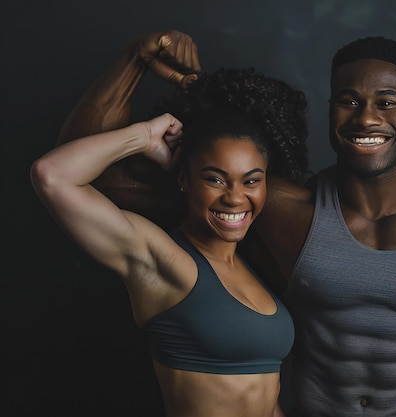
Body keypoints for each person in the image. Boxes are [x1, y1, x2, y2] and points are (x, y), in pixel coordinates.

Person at [56, 30, 396, 417]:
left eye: (387, 102)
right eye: (348, 100)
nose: (366, 117)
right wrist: (135, 56)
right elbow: (94, 181)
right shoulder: (271, 205)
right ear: (329, 110)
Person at [31, 63, 311, 417]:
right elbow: (51, 176)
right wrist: (144, 137)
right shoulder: (162, 257)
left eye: (251, 181)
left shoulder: (254, 268)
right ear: (184, 180)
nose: (236, 198)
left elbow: (264, 398)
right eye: (216, 179)